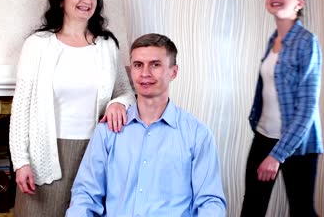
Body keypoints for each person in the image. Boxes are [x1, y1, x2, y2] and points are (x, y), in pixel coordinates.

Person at [9, 0, 135, 216]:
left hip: (96, 150)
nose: (87, 0)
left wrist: (117, 103)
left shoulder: (106, 45)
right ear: (60, 0)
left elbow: (125, 92)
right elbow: (21, 107)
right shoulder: (38, 44)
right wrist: (20, 161)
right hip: (46, 151)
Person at [66, 33, 227, 217]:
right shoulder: (107, 131)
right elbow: (85, 196)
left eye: (155, 65)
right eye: (138, 65)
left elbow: (210, 203)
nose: (145, 74)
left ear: (173, 72)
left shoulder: (198, 134)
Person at [241, 0, 324, 217]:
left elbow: (307, 106)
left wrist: (278, 154)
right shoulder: (273, 39)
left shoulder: (307, 42)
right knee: (253, 207)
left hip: (299, 144)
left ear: (300, 3)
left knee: (301, 211)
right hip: (264, 136)